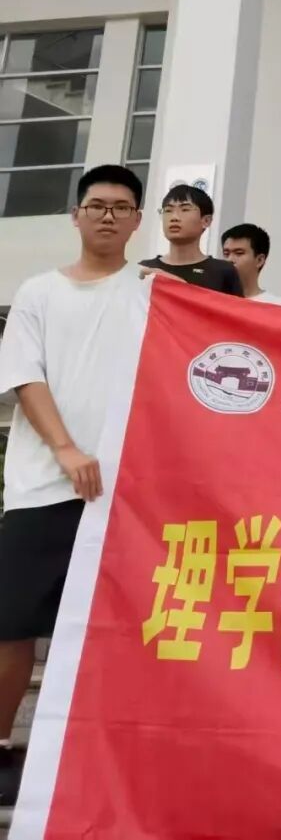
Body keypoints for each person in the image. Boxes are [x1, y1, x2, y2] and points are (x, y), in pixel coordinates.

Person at [0, 165, 149, 807]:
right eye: (96, 205)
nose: (107, 215)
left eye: (121, 207)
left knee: (108, 631)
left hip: (124, 497)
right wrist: (64, 448)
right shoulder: (38, 292)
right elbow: (24, 375)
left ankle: (92, 756)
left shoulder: (152, 292)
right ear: (76, 216)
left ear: (137, 221)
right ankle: (1, 747)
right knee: (11, 627)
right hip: (41, 489)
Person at [139, 184, 243, 296]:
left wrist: (174, 284)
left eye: (185, 209)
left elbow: (234, 307)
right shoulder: (145, 269)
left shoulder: (222, 271)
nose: (174, 217)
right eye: (168, 210)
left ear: (206, 221)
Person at [222, 224, 281, 306]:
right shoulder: (213, 299)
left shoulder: (279, 306)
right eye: (226, 254)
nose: (230, 259)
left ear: (259, 260)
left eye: (239, 253)